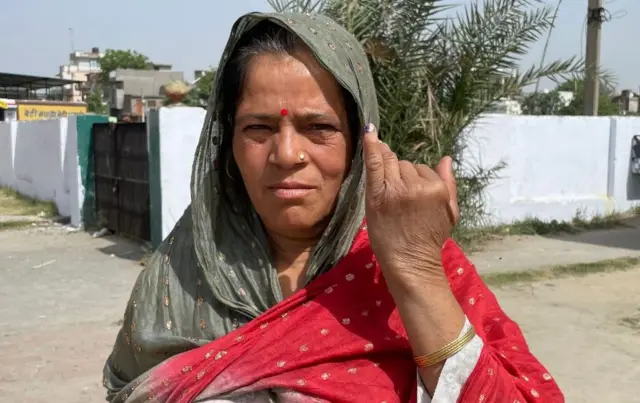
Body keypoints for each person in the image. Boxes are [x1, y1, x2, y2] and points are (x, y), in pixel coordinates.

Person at [103, 12, 562, 403]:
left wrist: (414, 273)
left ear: (361, 143)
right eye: (258, 128)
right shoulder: (178, 275)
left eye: (319, 127)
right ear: (228, 145)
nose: (286, 155)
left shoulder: (419, 264)